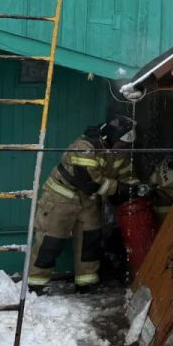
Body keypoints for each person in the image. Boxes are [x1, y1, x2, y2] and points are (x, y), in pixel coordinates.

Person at [27, 115, 139, 293]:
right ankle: (36, 284)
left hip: (89, 200)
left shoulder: (119, 152)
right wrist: (119, 188)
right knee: (51, 241)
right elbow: (89, 181)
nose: (122, 148)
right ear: (110, 137)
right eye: (121, 144)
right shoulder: (84, 147)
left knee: (90, 242)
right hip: (61, 198)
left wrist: (135, 188)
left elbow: (126, 174)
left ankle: (85, 283)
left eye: (125, 145)